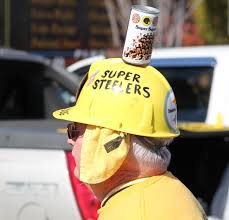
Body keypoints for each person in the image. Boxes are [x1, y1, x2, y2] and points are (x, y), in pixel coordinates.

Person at [53, 58, 207, 220]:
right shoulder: (170, 192)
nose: (70, 140)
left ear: (111, 142)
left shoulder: (131, 212)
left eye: (75, 131)